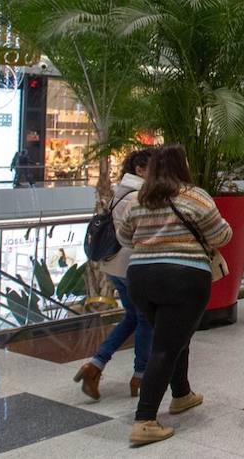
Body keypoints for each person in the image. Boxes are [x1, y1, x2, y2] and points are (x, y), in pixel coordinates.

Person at [117, 144, 232, 446]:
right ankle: (145, 420)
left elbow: (124, 236)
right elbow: (221, 235)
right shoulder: (195, 196)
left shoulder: (140, 198)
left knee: (175, 337)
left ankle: (181, 394)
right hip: (183, 278)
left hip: (141, 278)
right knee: (166, 347)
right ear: (183, 166)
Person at [74, 147, 152, 401]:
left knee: (132, 317)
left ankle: (95, 365)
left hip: (114, 267)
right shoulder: (137, 197)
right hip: (131, 267)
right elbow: (139, 233)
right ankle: (140, 376)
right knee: (145, 320)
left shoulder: (121, 192)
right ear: (140, 168)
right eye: (154, 166)